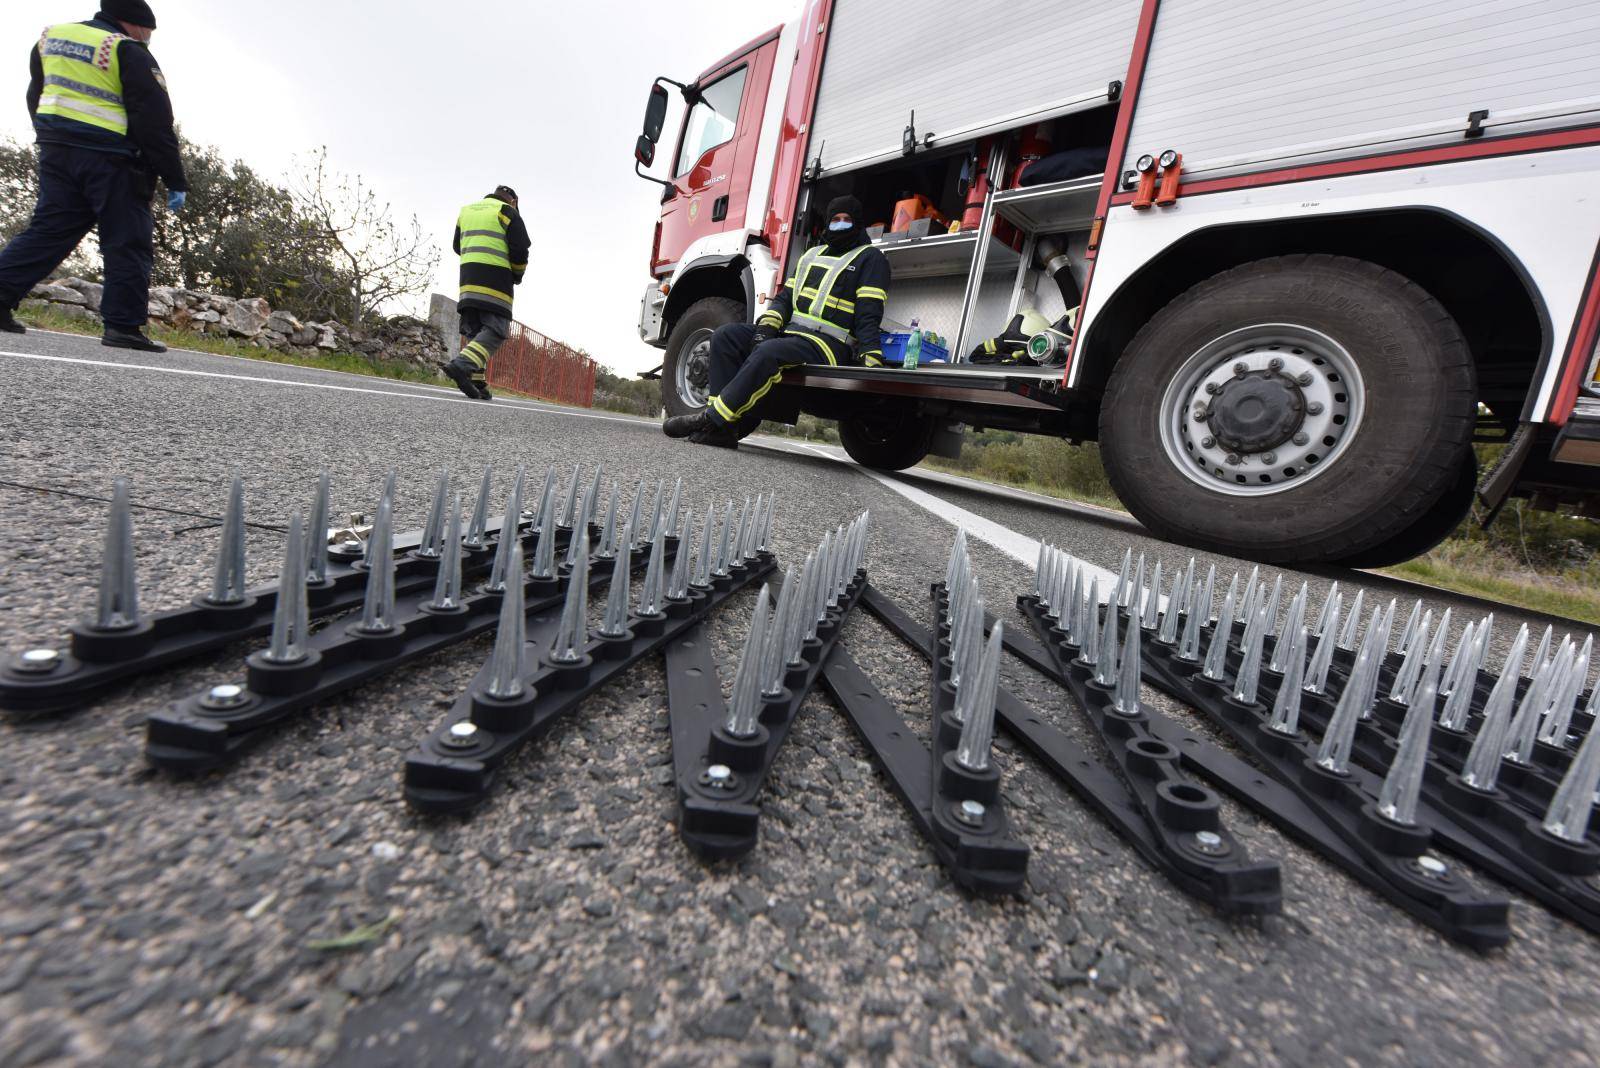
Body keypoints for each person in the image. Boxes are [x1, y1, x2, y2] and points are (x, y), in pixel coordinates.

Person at [0, 1, 187, 352]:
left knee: (48, 230)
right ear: (133, 23)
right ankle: (123, 326)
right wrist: (175, 179)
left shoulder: (52, 38)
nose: (149, 38)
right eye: (148, 31)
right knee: (127, 240)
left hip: (58, 151)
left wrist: (50, 137)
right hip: (112, 161)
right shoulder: (126, 49)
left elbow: (36, 94)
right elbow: (154, 121)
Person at [662, 195, 891, 447]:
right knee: (725, 336)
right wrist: (765, 328)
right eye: (835, 219)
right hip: (794, 335)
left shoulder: (871, 258)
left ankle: (711, 419)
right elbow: (785, 299)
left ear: (858, 223)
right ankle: (722, 431)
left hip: (829, 344)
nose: (840, 224)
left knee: (769, 353)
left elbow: (869, 313)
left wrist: (872, 358)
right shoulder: (810, 255)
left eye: (847, 220)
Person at [440, 185, 530, 401]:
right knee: (497, 329)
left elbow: (456, 246)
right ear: (514, 201)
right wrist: (516, 275)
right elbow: (520, 250)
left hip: (468, 281)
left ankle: (477, 381)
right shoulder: (507, 212)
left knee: (476, 329)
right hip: (496, 280)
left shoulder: (466, 211)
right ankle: (461, 366)